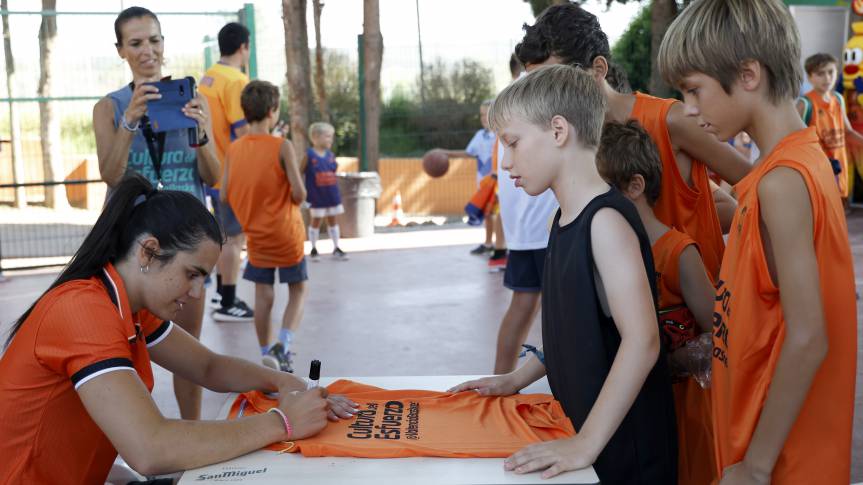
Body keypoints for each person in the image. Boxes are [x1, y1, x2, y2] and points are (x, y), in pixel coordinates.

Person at [0, 173, 356, 484]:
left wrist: (287, 384)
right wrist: (283, 422)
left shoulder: (130, 303)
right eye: (192, 274)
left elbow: (207, 367)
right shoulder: (82, 310)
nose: (197, 292)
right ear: (148, 252)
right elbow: (149, 447)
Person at [658, 1, 857, 483]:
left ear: (748, 74)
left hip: (781, 459)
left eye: (694, 89)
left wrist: (757, 465)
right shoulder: (787, 166)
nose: (689, 109)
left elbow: (809, 336)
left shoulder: (781, 182)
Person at [452, 65, 677, 483]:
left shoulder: (605, 222)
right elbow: (574, 327)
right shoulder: (564, 218)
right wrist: (517, 377)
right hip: (591, 442)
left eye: (513, 143)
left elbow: (644, 341)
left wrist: (586, 442)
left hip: (626, 452)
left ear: (558, 131)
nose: (506, 163)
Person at [515, 2, 750, 278]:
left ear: (598, 69)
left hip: (695, 312)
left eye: (553, 82)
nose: (545, 98)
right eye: (536, 87)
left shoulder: (670, 120)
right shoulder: (572, 143)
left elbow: (753, 185)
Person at [92, 6, 220, 420]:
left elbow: (214, 176)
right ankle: (140, 436)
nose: (148, 50)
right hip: (132, 244)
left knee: (189, 343)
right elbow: (110, 174)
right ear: (121, 51)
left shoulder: (192, 100)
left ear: (163, 43)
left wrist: (202, 132)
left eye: (154, 40)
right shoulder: (108, 108)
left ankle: (192, 433)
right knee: (122, 343)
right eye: (136, 43)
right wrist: (130, 120)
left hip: (186, 240)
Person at [597, 120, 716, 485]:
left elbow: (721, 333)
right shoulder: (601, 254)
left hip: (686, 414)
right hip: (636, 412)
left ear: (634, 186)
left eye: (600, 191)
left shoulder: (678, 254)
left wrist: (676, 359)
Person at [222, 80, 308, 374]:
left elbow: (223, 193)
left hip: (255, 235)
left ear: (245, 111)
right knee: (298, 289)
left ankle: (264, 352)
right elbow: (299, 193)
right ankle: (282, 346)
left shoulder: (234, 149)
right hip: (287, 234)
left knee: (263, 294)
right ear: (273, 110)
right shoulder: (282, 146)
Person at [199, 21, 255, 322]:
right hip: (231, 173)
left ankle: (222, 293)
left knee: (224, 238)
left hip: (211, 169)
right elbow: (243, 129)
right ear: (244, 47)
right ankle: (229, 303)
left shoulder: (209, 77)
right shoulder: (236, 80)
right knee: (235, 240)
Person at [439, 100, 507, 269]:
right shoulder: (480, 135)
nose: (484, 118)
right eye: (482, 114)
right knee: (487, 214)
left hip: (498, 182)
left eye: (487, 114)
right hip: (484, 182)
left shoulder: (502, 134)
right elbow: (469, 153)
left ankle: (502, 247)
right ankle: (489, 243)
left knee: (497, 214)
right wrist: (447, 154)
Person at [797, 52, 863, 203]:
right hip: (816, 173)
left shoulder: (839, 100)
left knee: (839, 217)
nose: (827, 78)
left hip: (839, 170)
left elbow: (848, 133)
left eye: (831, 72)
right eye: (820, 74)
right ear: (809, 76)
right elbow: (794, 141)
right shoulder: (804, 104)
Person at [302, 122, 348, 261]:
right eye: (327, 136)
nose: (331, 140)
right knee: (316, 220)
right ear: (315, 137)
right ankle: (314, 248)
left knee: (333, 220)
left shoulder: (330, 155)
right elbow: (299, 172)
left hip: (331, 194)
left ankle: (336, 247)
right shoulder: (309, 155)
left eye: (331, 137)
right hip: (316, 196)